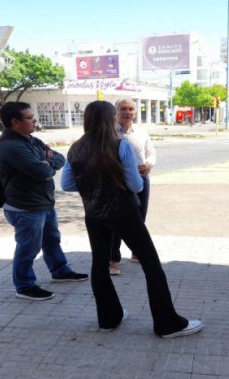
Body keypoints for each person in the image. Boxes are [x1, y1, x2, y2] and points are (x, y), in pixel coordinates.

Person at [61, 100, 203, 338]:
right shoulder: (121, 146)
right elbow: (136, 185)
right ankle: (168, 324)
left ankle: (108, 318)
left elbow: (66, 184)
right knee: (151, 264)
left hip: (94, 214)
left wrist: (93, 183)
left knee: (100, 264)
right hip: (124, 213)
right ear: (110, 119)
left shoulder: (75, 148)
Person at [0, 102, 88, 301]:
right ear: (15, 122)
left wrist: (48, 162)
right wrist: (45, 163)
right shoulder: (11, 146)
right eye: (29, 118)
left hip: (43, 203)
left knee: (51, 240)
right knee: (28, 248)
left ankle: (60, 270)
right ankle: (24, 285)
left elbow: (60, 158)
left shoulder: (31, 140)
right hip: (24, 208)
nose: (34, 121)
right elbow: (41, 171)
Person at [108, 98, 156, 275]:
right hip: (119, 182)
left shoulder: (141, 132)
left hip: (142, 179)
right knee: (118, 221)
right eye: (123, 109)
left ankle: (137, 252)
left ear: (135, 112)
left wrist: (149, 164)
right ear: (116, 112)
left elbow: (151, 153)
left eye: (130, 109)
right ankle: (113, 259)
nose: (127, 112)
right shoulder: (110, 132)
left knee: (140, 217)